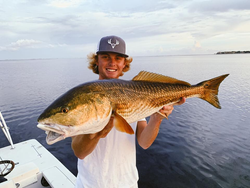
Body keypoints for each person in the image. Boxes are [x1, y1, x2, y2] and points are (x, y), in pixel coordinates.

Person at [71, 35, 185, 188]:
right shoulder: (84, 97)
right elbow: (80, 152)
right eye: (106, 57)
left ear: (124, 63)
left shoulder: (136, 92)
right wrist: (96, 133)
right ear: (96, 61)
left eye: (118, 58)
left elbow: (144, 142)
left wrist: (157, 118)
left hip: (127, 184)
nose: (112, 63)